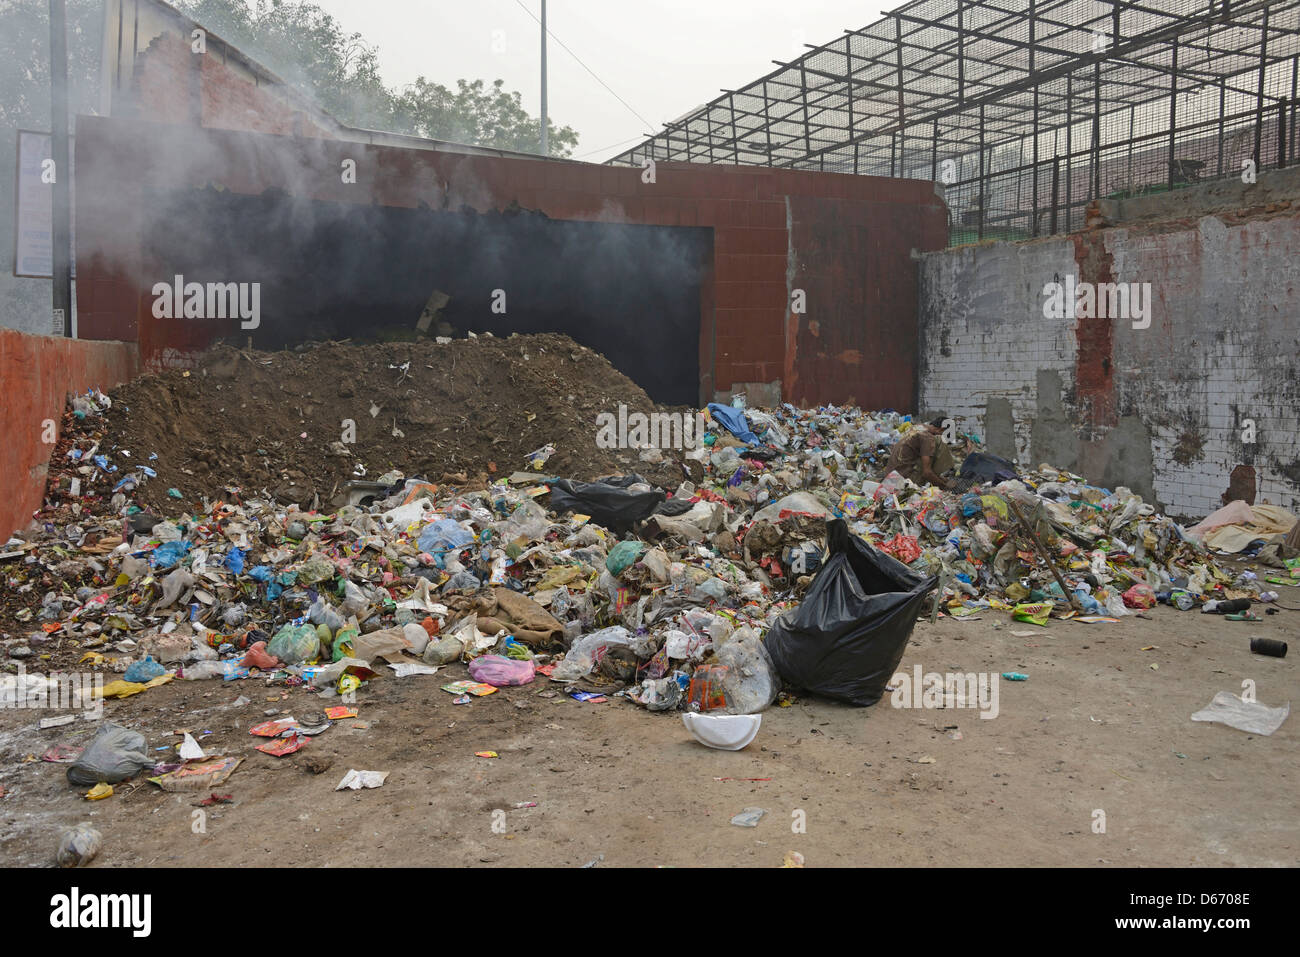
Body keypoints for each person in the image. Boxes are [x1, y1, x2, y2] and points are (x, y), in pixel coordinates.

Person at [884, 418, 953, 489]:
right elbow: (926, 473)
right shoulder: (928, 438)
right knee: (939, 444)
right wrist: (944, 486)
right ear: (941, 429)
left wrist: (941, 479)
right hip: (901, 481)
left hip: (889, 475)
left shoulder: (918, 427)